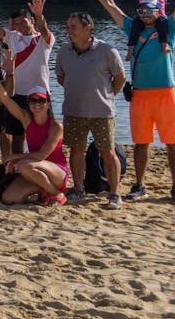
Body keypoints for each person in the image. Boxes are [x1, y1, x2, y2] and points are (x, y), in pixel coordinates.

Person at [87, 0, 175, 205]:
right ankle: (140, 185)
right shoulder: (133, 28)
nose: (145, 14)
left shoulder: (169, 30)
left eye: (149, 10)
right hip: (139, 95)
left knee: (173, 143)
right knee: (141, 143)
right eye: (141, 10)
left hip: (165, 94)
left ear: (158, 10)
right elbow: (109, 5)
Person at [55, 11, 125, 208]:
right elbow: (62, 79)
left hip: (102, 112)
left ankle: (114, 194)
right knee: (76, 151)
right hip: (73, 111)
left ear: (88, 28)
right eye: (68, 27)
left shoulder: (107, 51)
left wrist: (106, 97)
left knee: (108, 153)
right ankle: (78, 190)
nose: (69, 31)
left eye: (73, 27)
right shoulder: (63, 51)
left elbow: (119, 79)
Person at [0, 0, 56, 159]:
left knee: (43, 134)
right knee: (17, 135)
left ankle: (46, 163)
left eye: (23, 22)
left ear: (31, 21)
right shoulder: (11, 37)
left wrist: (40, 15)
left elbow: (44, 29)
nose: (20, 27)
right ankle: (18, 168)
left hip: (40, 95)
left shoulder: (43, 39)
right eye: (16, 24)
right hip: (16, 94)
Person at [0, 57, 69, 206]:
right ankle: (44, 190)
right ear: (28, 103)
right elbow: (5, 99)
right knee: (8, 198)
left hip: (57, 171)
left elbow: (42, 155)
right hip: (34, 168)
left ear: (48, 103)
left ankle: (56, 193)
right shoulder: (27, 119)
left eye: (41, 100)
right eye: (33, 100)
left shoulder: (56, 126)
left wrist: (15, 157)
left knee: (23, 165)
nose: (37, 104)